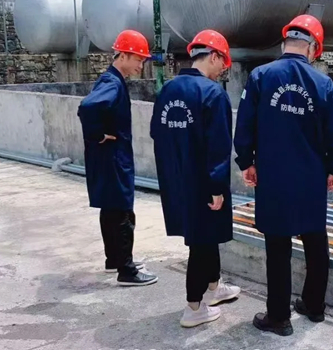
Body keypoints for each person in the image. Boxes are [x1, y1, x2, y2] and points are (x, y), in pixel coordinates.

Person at [234, 15, 333, 336]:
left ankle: (279, 317)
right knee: (315, 239)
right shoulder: (323, 84)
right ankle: (314, 305)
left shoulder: (260, 76)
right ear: (313, 48)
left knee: (278, 245)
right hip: (311, 177)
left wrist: (246, 162)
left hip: (273, 176)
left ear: (285, 42)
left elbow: (245, 125)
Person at [150, 30, 240, 328]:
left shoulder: (168, 89)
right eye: (223, 63)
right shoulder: (213, 94)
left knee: (205, 235)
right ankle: (194, 306)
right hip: (203, 181)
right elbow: (219, 147)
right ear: (213, 56)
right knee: (202, 241)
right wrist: (217, 187)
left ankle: (214, 287)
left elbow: (156, 133)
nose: (223, 69)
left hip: (176, 178)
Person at [77, 30, 158, 287]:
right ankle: (127, 269)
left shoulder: (111, 80)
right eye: (138, 59)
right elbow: (88, 107)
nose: (140, 65)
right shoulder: (112, 83)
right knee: (122, 211)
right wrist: (97, 134)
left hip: (108, 157)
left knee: (110, 209)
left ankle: (114, 259)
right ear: (122, 55)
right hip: (113, 158)